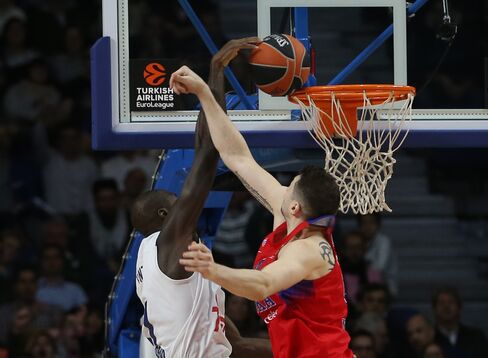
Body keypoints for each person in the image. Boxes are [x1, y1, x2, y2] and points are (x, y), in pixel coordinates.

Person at [173, 67, 354, 357]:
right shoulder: (289, 215)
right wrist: (205, 94)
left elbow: (264, 285)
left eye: (290, 187)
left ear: (295, 206)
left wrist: (212, 269)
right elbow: (238, 158)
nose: (283, 188)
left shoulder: (308, 250)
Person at [131, 37, 271, 358]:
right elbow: (208, 156)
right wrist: (214, 73)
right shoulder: (167, 245)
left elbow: (235, 347)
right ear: (167, 217)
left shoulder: (171, 270)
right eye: (177, 202)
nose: (187, 205)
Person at [432, 287, 488, 358]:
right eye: (441, 303)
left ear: (459, 308)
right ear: (434, 309)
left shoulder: (476, 338)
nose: (446, 306)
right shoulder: (429, 338)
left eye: (451, 302)